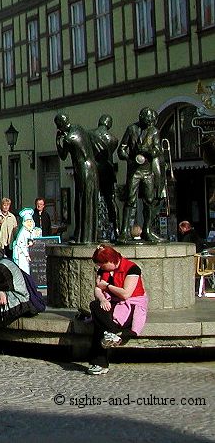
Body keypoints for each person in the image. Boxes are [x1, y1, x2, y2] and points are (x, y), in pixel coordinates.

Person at [86, 245, 148, 375]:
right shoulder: (103, 271)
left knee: (99, 326)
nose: (100, 268)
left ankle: (100, 363)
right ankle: (111, 333)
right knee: (95, 306)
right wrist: (102, 299)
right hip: (112, 303)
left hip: (129, 307)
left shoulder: (132, 268)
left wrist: (107, 286)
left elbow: (126, 294)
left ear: (111, 261)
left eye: (102, 265)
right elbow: (98, 289)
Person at [118, 107, 167, 242]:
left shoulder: (154, 131)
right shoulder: (131, 129)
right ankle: (125, 231)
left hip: (147, 171)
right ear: (142, 117)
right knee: (130, 199)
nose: (150, 122)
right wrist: (128, 158)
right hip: (134, 170)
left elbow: (157, 149)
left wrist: (148, 151)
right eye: (148, 119)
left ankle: (147, 230)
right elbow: (121, 149)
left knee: (149, 200)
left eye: (152, 120)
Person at [56, 112, 101, 243]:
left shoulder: (72, 134)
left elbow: (65, 150)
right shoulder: (78, 128)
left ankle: (85, 237)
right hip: (86, 168)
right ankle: (82, 234)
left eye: (58, 125)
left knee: (84, 201)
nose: (58, 128)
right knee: (81, 202)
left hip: (85, 168)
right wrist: (58, 141)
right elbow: (64, 155)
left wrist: (61, 140)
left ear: (62, 123)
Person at [12, 209, 36, 274]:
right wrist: (26, 255)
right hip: (22, 254)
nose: (29, 224)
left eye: (30, 222)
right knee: (24, 270)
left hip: (30, 253)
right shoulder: (23, 232)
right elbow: (21, 244)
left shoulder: (32, 231)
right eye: (28, 222)